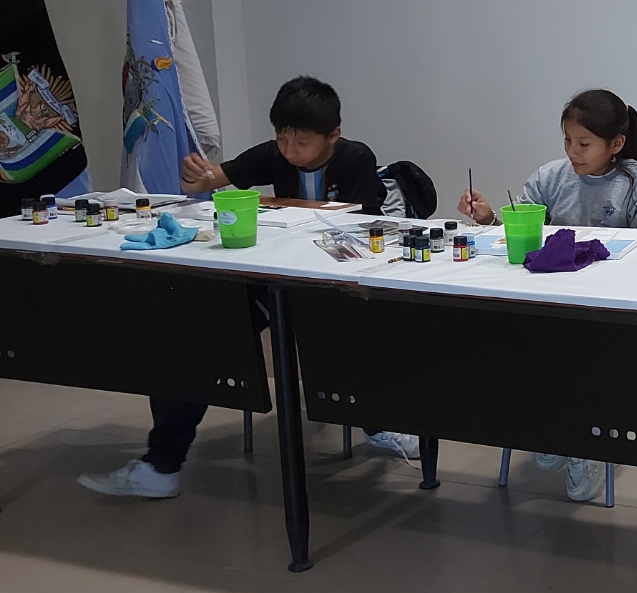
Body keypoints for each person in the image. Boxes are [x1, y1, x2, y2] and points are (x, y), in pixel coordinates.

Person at [77, 77, 420, 499]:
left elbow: (356, 223)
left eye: (302, 142)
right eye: (282, 139)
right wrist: (200, 178)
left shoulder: (355, 158)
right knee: (189, 335)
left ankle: (381, 423)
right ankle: (160, 466)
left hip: (336, 288)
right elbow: (215, 179)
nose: (289, 151)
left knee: (349, 340)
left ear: (333, 135)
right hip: (274, 280)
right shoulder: (272, 155)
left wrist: (277, 209)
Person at [458, 88, 637, 501]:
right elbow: (521, 235)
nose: (573, 152)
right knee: (510, 333)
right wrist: (489, 220)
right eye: (568, 141)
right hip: (551, 302)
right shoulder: (550, 178)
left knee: (581, 343)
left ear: (616, 144)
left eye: (584, 144)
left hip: (613, 310)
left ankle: (583, 445)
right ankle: (551, 428)